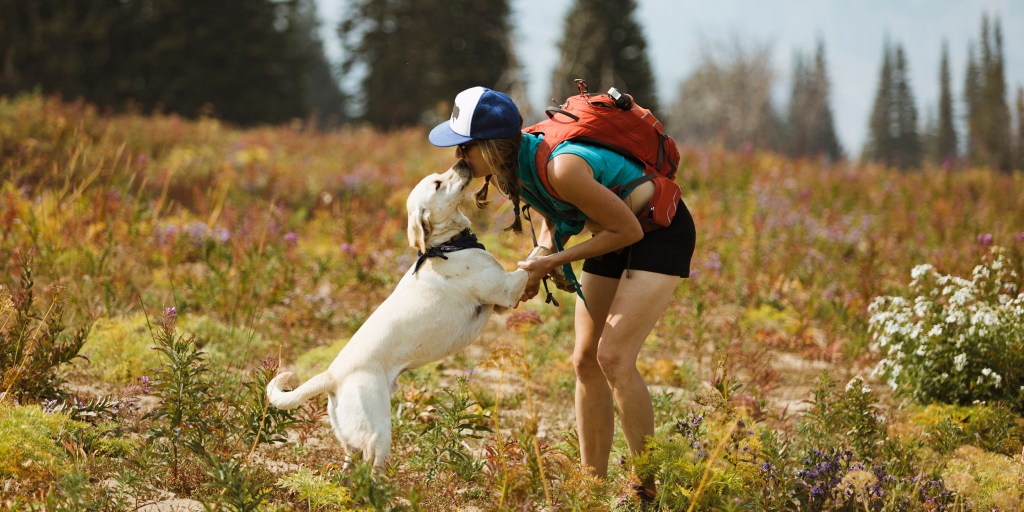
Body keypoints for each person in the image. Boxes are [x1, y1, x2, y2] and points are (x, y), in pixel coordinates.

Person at [429, 86, 696, 502]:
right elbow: (556, 212)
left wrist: (552, 263)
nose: (458, 159)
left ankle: (646, 492)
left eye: (464, 149)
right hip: (611, 231)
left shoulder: (562, 166)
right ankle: (592, 490)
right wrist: (542, 250)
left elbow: (628, 230)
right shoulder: (509, 168)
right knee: (585, 358)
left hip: (657, 231)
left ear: (490, 146)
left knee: (614, 358)